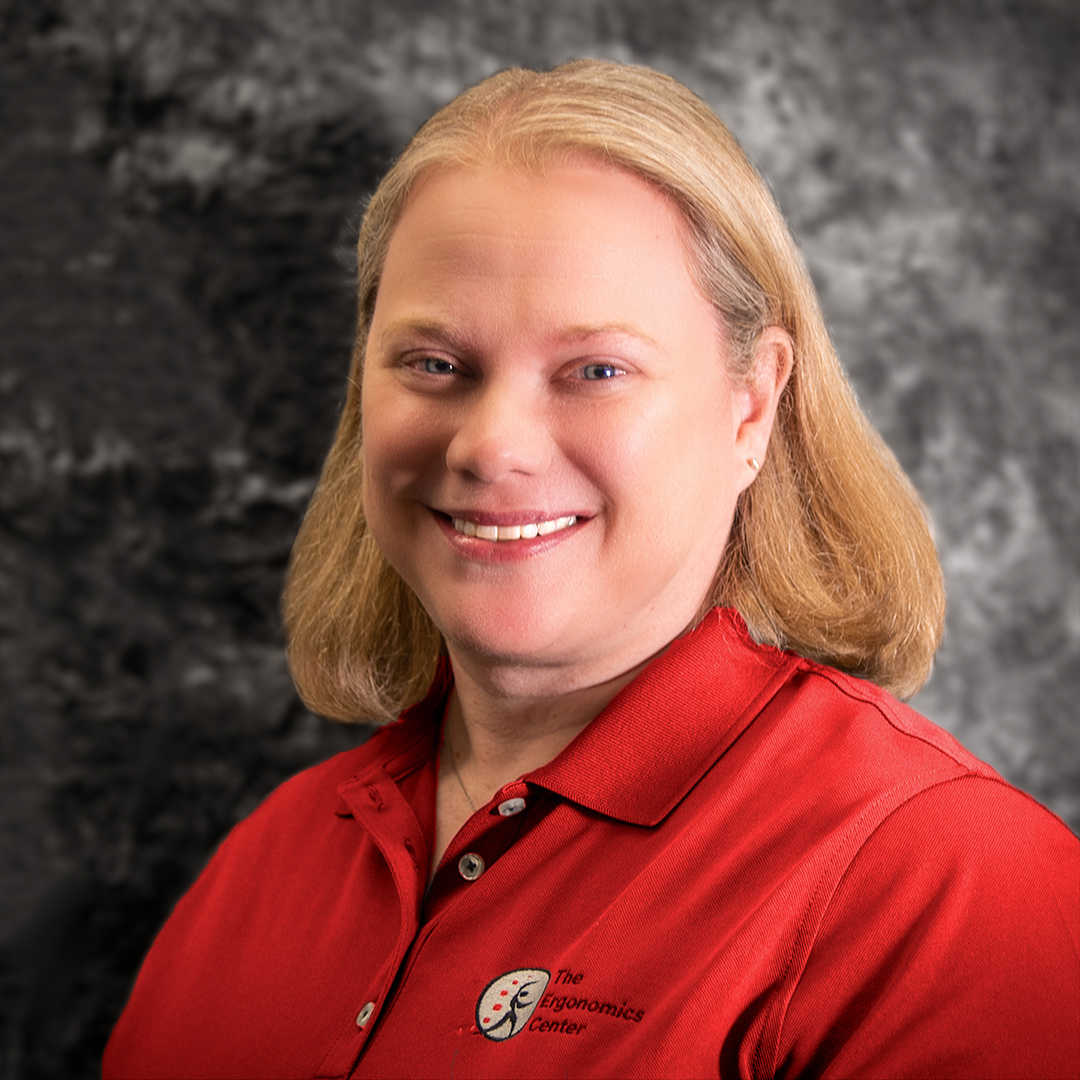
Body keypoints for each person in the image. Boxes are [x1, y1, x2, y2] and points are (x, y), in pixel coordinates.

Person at [103, 60, 1079, 1080]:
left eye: (596, 371)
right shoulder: (269, 861)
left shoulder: (948, 884)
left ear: (752, 405)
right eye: (434, 364)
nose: (491, 446)